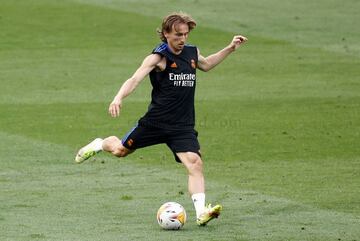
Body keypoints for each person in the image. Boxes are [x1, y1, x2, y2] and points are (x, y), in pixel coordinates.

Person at [75, 12, 247, 226]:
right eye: (177, 35)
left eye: (185, 34)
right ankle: (100, 143)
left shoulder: (192, 53)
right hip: (155, 123)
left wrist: (230, 48)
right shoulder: (158, 57)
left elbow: (207, 64)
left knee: (195, 163)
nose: (182, 39)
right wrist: (118, 97)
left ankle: (201, 212)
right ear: (166, 33)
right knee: (120, 151)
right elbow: (135, 78)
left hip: (182, 126)